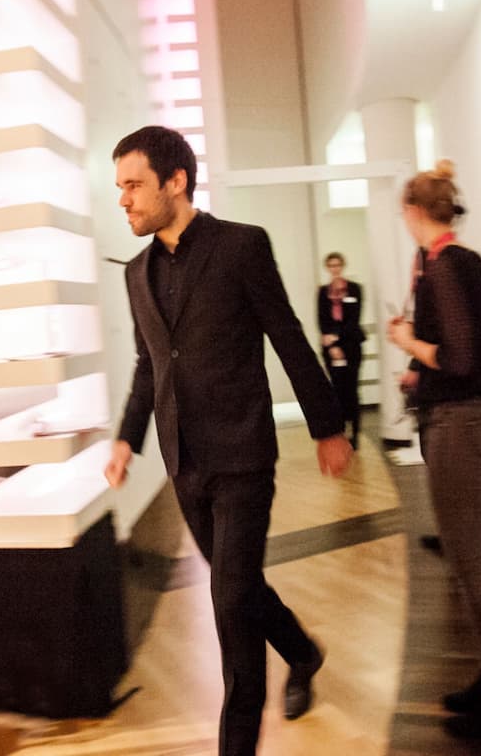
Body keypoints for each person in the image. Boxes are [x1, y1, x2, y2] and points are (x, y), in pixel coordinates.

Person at [104, 126, 354, 756]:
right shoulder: (136, 274)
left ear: (176, 180)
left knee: (231, 603)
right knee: (236, 584)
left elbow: (288, 334)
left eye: (133, 184)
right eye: (120, 188)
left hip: (244, 454)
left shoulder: (242, 247)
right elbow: (148, 365)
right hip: (183, 462)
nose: (124, 200)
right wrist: (126, 440)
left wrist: (327, 426)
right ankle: (302, 652)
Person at [385, 159, 481, 739]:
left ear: (412, 213)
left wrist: (408, 343)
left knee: (470, 563)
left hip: (460, 428)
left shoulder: (443, 267)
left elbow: (462, 357)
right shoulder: (468, 264)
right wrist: (423, 373)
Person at [315, 252, 366, 449]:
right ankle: (341, 430)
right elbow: (322, 320)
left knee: (352, 388)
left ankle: (356, 432)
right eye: (331, 265)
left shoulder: (355, 289)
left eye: (337, 265)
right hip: (331, 348)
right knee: (337, 390)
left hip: (351, 345)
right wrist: (332, 345)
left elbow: (354, 320)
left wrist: (337, 338)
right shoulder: (322, 292)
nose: (335, 269)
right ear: (327, 268)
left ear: (342, 266)